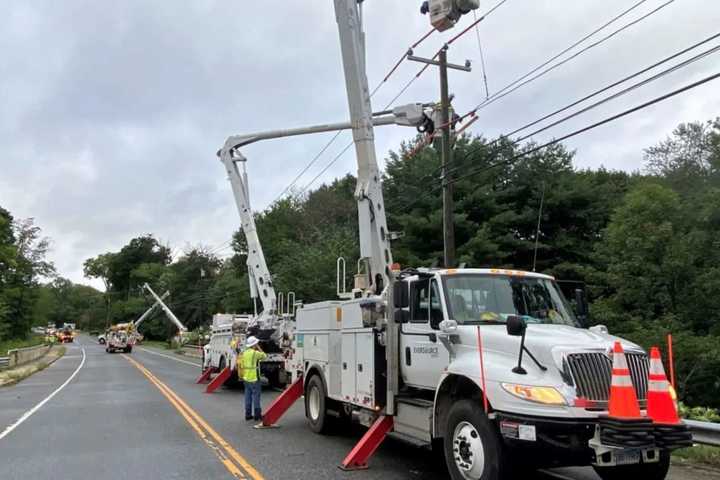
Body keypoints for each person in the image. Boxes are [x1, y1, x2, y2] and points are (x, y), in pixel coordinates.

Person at [240, 336, 266, 421]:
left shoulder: (244, 353)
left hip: (246, 378)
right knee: (256, 397)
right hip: (254, 378)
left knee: (247, 397)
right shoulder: (255, 353)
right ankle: (257, 415)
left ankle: (248, 415)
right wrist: (258, 347)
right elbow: (264, 356)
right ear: (254, 344)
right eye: (256, 343)